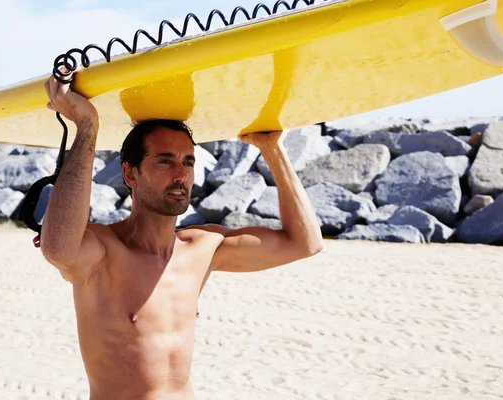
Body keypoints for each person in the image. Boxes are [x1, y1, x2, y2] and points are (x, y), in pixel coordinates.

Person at [40, 71, 324, 400]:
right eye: (165, 160)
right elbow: (59, 250)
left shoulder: (203, 248)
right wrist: (87, 125)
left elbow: (306, 243)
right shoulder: (103, 252)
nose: (181, 173)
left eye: (188, 161)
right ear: (130, 173)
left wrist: (272, 147)